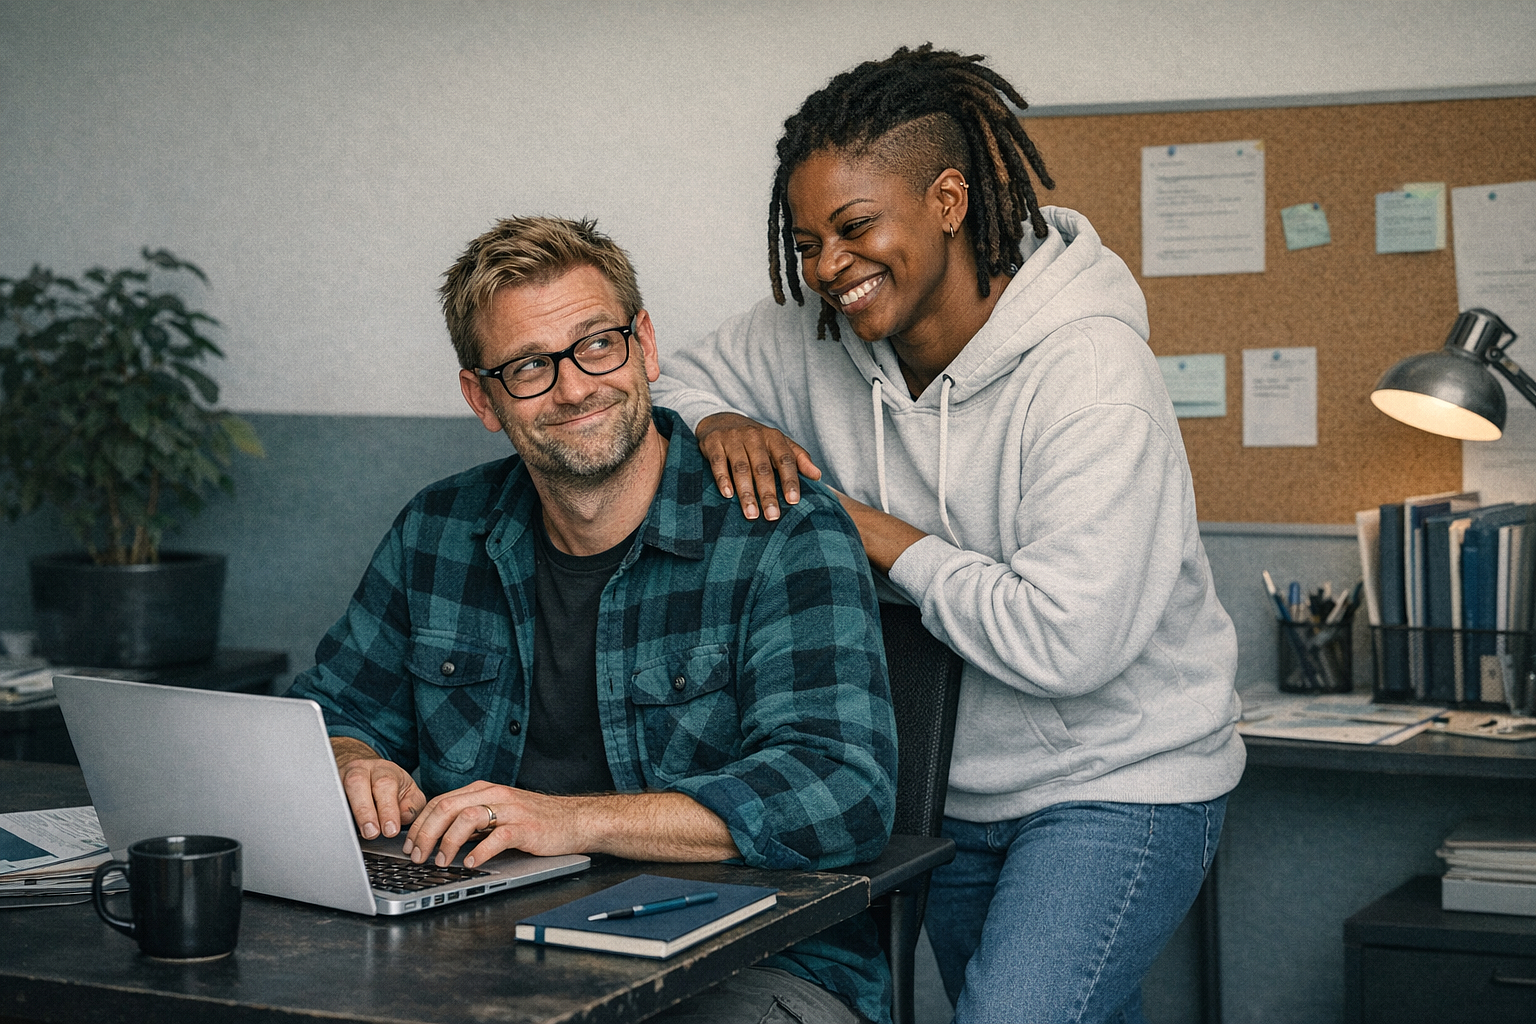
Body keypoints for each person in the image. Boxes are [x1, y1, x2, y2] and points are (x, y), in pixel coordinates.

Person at [649, 45, 1246, 1024]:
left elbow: (1068, 639)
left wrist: (874, 532)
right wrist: (719, 423)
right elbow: (670, 384)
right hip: (946, 793)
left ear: (950, 200)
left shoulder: (1091, 373)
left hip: (1122, 776)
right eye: (804, 242)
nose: (827, 268)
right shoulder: (815, 332)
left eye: (854, 228)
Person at [287, 216, 898, 1024]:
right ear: (483, 397)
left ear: (644, 345)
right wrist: (349, 757)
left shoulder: (781, 532)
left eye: (597, 346)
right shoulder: (437, 530)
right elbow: (325, 713)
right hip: (478, 947)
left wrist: (564, 820)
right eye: (530, 368)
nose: (575, 388)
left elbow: (840, 787)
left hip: (746, 959)